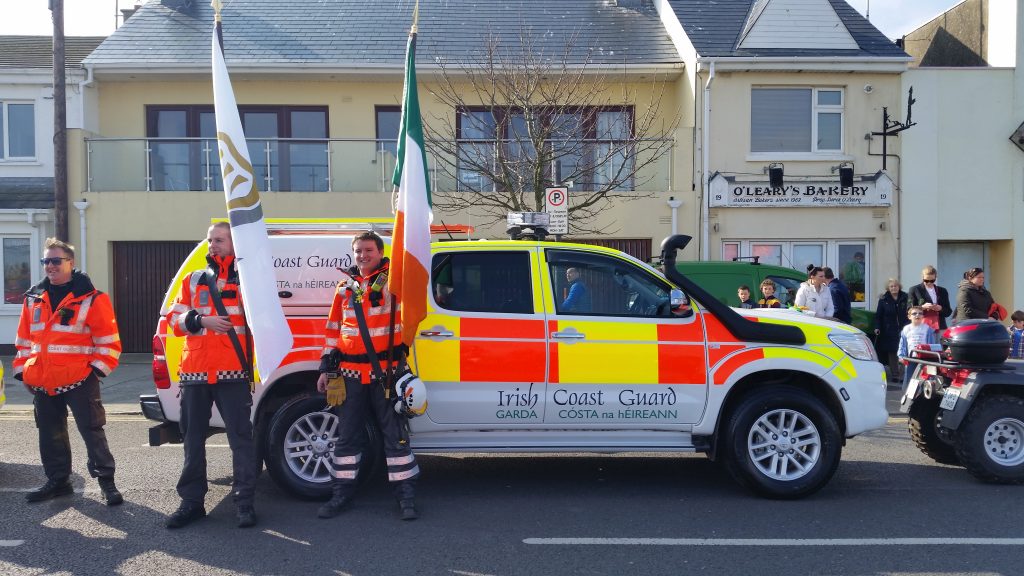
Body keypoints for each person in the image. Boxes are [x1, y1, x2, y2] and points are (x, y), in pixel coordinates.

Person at [316, 231, 420, 521]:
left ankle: (406, 496)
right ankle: (341, 495)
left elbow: (412, 304)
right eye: (358, 251)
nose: (362, 255)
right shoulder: (344, 288)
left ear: (380, 252)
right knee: (347, 437)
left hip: (385, 373)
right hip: (349, 374)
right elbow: (333, 328)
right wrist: (326, 366)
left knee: (395, 436)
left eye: (368, 250)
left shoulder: (394, 282)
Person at [13, 238, 123, 506]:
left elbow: (109, 342)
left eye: (55, 261)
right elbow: (24, 341)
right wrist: (23, 372)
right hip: (41, 379)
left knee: (92, 430)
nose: (49, 266)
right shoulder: (33, 299)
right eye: (45, 261)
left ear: (70, 263)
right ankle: (58, 482)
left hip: (80, 379)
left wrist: (94, 373)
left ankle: (107, 483)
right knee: (50, 433)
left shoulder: (92, 298)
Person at [165, 222, 258, 529]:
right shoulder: (194, 280)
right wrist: (201, 319)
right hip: (195, 372)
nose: (212, 245)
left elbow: (261, 326)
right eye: (209, 240)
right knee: (192, 440)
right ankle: (191, 503)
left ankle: (245, 502)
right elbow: (173, 321)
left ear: (234, 244)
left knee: (241, 439)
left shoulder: (247, 278)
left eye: (219, 240)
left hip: (233, 371)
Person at [874, 278, 910, 382]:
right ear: (888, 288)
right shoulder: (883, 299)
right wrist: (877, 327)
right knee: (892, 353)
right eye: (891, 286)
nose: (894, 288)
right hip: (889, 330)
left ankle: (903, 375)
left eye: (895, 286)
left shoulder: (906, 297)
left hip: (904, 329)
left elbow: (910, 312)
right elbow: (878, 316)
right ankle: (895, 375)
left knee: (904, 351)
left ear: (899, 287)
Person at [897, 306, 939, 393]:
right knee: (909, 380)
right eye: (914, 313)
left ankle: (923, 397)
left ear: (923, 316)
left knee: (924, 380)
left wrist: (931, 357)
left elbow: (931, 345)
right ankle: (908, 396)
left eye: (920, 313)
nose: (917, 315)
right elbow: (903, 344)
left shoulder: (927, 329)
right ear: (909, 316)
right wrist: (901, 356)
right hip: (910, 359)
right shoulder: (906, 329)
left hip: (924, 360)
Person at [908, 265, 952, 332]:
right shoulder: (914, 290)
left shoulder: (942, 291)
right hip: (921, 326)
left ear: (936, 277)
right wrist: (922, 307)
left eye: (932, 280)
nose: (929, 283)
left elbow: (948, 312)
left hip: (940, 326)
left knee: (938, 342)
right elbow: (908, 309)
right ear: (922, 277)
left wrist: (940, 308)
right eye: (926, 280)